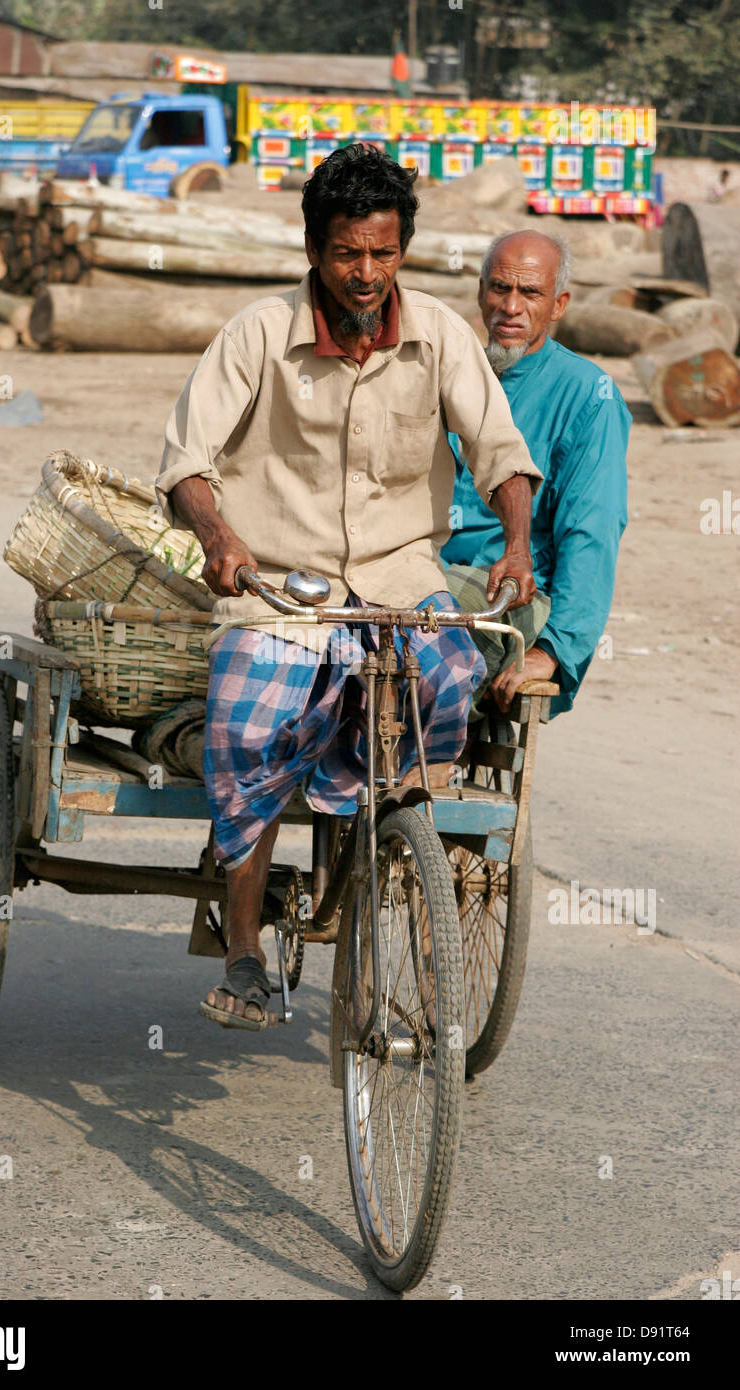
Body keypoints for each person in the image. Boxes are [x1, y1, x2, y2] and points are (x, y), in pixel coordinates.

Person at [156, 144, 542, 1030]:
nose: (364, 274)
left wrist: (516, 547)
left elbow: (500, 452)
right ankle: (246, 946)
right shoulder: (256, 334)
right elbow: (186, 463)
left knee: (448, 687)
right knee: (246, 726)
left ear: (402, 249)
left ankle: (387, 858)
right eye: (345, 253)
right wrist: (217, 535)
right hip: (281, 588)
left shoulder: (441, 335)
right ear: (314, 249)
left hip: (402, 581)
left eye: (382, 253)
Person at [441, 230, 630, 717]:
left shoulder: (589, 395)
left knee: (413, 650)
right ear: (481, 291)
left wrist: (553, 651)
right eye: (500, 288)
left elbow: (592, 532)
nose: (511, 307)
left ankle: (421, 764)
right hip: (421, 578)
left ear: (559, 304)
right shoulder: (450, 372)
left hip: (506, 598)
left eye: (530, 293)